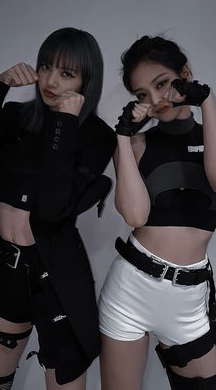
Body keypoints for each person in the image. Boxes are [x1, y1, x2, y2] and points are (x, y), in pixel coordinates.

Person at [0, 27, 116, 390]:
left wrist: (64, 122)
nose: (51, 81)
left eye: (67, 73)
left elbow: (54, 209)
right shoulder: (14, 117)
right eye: (46, 67)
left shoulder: (97, 137)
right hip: (7, 271)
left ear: (88, 80)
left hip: (56, 278)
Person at [99, 34, 216, 390]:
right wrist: (121, 138)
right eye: (142, 94)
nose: (157, 100)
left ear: (185, 73)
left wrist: (207, 102)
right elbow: (134, 216)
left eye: (163, 84)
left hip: (190, 301)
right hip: (131, 290)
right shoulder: (137, 142)